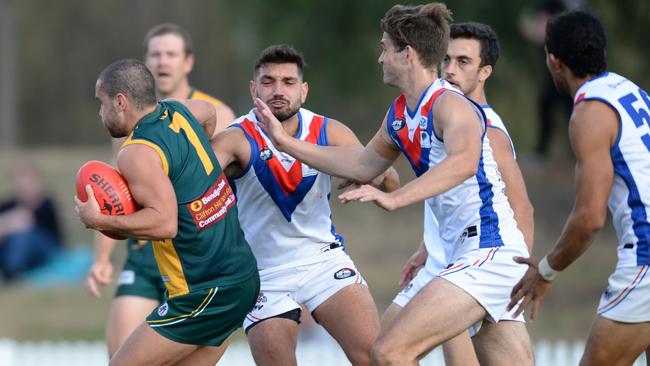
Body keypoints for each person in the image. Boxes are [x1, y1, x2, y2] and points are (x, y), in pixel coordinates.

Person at [254, 4, 532, 365]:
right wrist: (286, 142)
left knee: (389, 351)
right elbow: (362, 163)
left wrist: (398, 198)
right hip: (467, 254)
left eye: (386, 47)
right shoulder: (400, 113)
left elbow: (463, 162)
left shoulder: (451, 105)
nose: (381, 57)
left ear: (408, 53)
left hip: (489, 251)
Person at [211, 44, 399, 366]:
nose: (278, 91)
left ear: (304, 90)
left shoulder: (328, 131)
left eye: (288, 82)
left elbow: (390, 180)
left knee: (376, 357)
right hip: (263, 274)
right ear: (253, 89)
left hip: (322, 261)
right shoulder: (235, 138)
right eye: (268, 82)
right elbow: (191, 185)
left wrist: (361, 174)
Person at [76, 58, 259, 366]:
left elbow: (164, 224)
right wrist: (200, 165)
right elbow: (209, 113)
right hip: (241, 279)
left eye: (102, 103)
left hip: (207, 288)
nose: (100, 112)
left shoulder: (135, 151)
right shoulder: (180, 111)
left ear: (120, 101)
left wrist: (98, 220)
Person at [508, 10, 650, 365]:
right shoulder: (633, 93)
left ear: (554, 61)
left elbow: (588, 219)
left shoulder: (590, 113)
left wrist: (546, 270)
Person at [388, 22, 534, 365]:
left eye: (463, 62)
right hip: (446, 257)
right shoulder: (436, 110)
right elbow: (455, 193)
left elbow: (521, 207)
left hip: (477, 261)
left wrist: (521, 275)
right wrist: (427, 246)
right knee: (378, 352)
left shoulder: (489, 129)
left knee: (390, 352)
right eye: (447, 59)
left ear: (485, 72)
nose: (451, 70)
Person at [520, 0, 572, 160]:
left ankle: (543, 152)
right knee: (562, 108)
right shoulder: (557, 6)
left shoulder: (555, 7)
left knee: (555, 106)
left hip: (563, 73)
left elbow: (541, 33)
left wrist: (527, 28)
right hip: (560, 73)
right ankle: (569, 152)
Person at [0, 161, 62, 282]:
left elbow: (27, 220)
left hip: (46, 250)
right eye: (20, 178)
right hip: (10, 247)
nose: (24, 183)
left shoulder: (45, 204)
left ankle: (11, 271)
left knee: (23, 236)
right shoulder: (8, 205)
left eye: (27, 178)